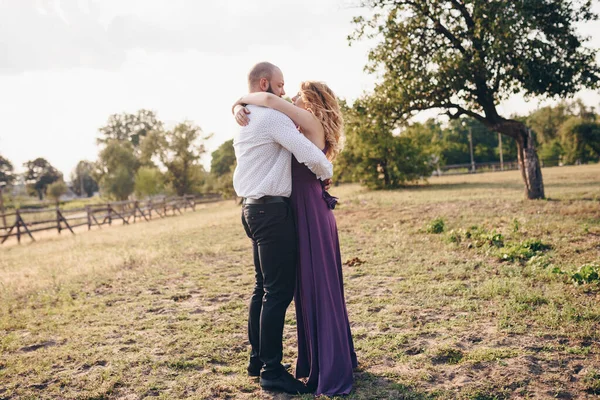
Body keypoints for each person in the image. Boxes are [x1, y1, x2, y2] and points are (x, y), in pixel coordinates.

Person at [233, 80, 358, 396]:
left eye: (297, 95)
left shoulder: (307, 121)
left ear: (311, 101)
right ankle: (276, 361)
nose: (289, 97)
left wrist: (239, 100)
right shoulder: (300, 126)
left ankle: (323, 362)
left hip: (310, 211)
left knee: (315, 286)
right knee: (295, 287)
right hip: (298, 209)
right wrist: (237, 107)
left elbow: (269, 101)